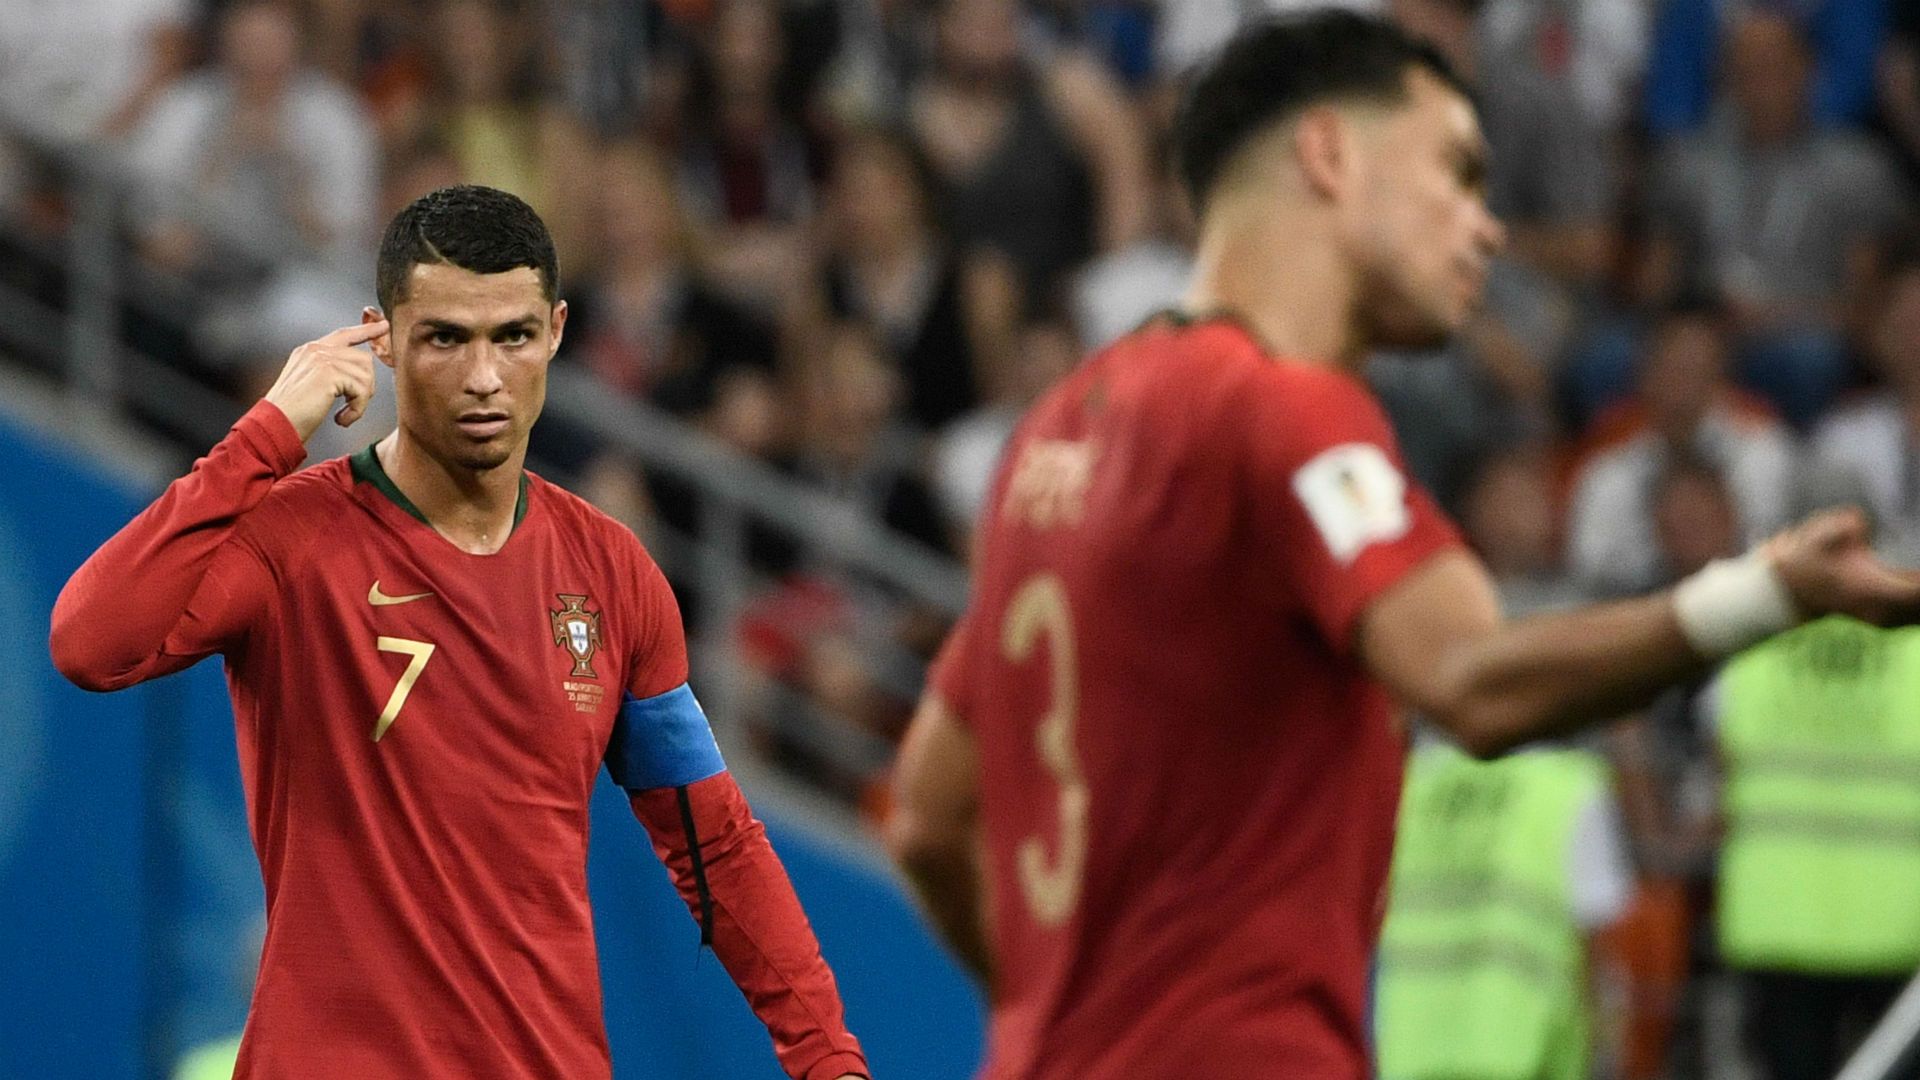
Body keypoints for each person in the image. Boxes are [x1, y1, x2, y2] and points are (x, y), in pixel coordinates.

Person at [884, 13, 1920, 1079]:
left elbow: (927, 815)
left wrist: (1054, 1014)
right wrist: (1766, 592)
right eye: (1457, 173)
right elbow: (1470, 680)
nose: (1487, 228)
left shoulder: (1058, 431)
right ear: (1328, 154)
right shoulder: (1283, 409)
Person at [49, 185, 868, 1080]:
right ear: (385, 339)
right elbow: (91, 642)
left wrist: (829, 1059)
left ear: (555, 331)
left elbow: (714, 844)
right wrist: (268, 434)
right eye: (446, 337)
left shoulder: (613, 575)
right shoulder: (290, 540)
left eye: (512, 336)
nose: (485, 377)